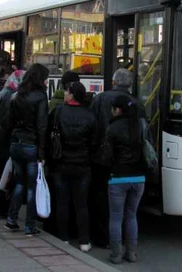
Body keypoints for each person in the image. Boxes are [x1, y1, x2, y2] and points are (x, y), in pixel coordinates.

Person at [89, 68, 145, 248]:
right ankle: (129, 245)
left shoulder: (99, 99)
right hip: (131, 164)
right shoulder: (137, 103)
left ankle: (104, 238)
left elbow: (92, 126)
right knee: (129, 210)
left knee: (103, 201)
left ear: (113, 82)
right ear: (129, 84)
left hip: (102, 159)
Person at [50, 81, 98, 252]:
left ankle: (63, 238)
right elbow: (95, 142)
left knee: (63, 203)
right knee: (81, 204)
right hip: (83, 165)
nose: (64, 94)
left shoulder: (58, 111)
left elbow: (50, 134)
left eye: (66, 91)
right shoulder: (90, 115)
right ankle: (84, 240)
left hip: (62, 163)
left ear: (71, 94)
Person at [3, 63, 49, 236]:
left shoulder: (18, 95)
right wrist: (42, 153)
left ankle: (11, 219)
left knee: (19, 183)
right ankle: (29, 226)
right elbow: (42, 126)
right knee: (32, 187)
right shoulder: (40, 97)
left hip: (16, 143)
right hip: (31, 145)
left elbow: (8, 122)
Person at [105, 95, 147, 264]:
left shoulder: (113, 127)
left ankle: (116, 254)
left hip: (118, 178)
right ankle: (131, 253)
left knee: (116, 217)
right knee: (131, 215)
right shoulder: (141, 125)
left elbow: (107, 156)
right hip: (139, 178)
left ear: (118, 109)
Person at [0, 69, 24, 218]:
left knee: (2, 174)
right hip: (6, 142)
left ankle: (1, 207)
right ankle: (4, 208)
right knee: (8, 177)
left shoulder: (3, 93)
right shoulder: (12, 96)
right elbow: (8, 122)